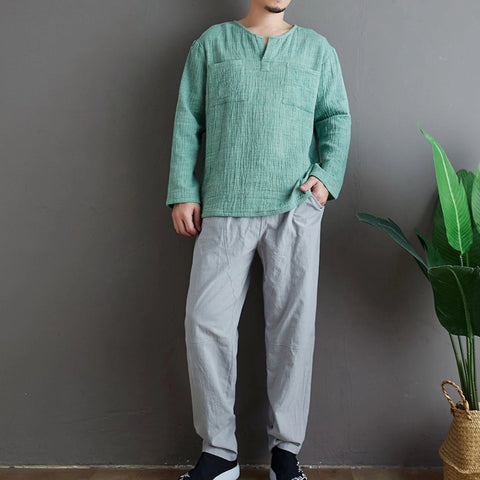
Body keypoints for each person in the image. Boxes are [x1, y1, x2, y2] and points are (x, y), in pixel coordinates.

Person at [165, 1, 351, 479]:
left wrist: (326, 179)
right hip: (224, 204)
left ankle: (286, 453)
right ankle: (219, 453)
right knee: (205, 323)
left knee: (293, 330)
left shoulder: (317, 50)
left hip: (295, 207)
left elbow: (336, 117)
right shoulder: (212, 45)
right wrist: (183, 189)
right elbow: (188, 118)